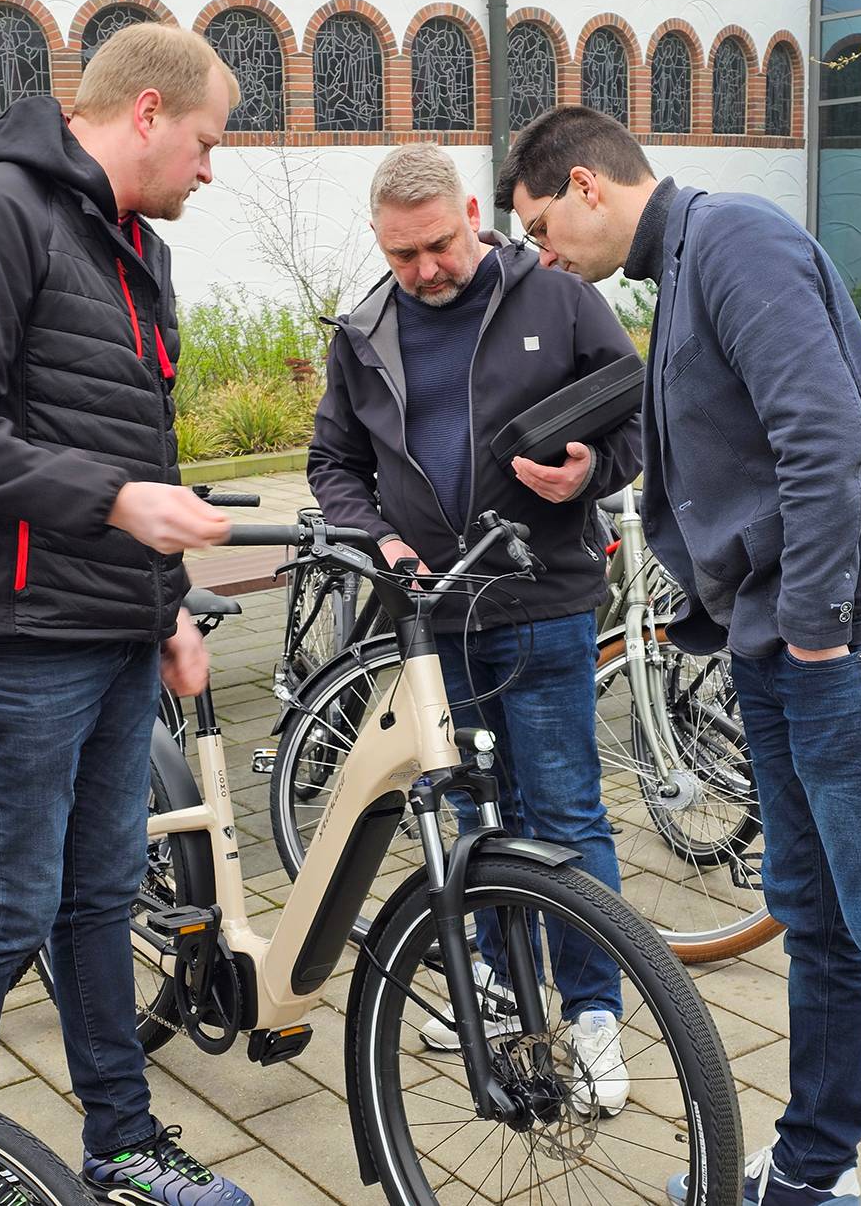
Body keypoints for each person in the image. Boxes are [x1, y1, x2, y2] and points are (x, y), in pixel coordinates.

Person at [495, 102, 861, 1206]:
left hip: (836, 642)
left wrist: (815, 621)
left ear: (584, 185)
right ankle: (812, 1173)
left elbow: (828, 437)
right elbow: (743, 453)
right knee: (815, 921)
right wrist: (594, 482)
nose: (542, 255)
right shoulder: (681, 271)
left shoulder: (733, 240)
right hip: (777, 643)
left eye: (538, 227)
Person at [0, 23, 256, 1206]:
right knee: (10, 897)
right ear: (146, 112)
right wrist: (111, 500)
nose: (213, 167)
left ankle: (124, 1143)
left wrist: (165, 614)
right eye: (207, 140)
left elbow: (133, 448)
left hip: (106, 631)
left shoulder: (133, 249)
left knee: (102, 893)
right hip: (6, 634)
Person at [307, 142, 642, 1114]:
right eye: (403, 254)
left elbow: (631, 416)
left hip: (542, 600)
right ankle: (494, 975)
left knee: (564, 813)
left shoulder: (556, 294)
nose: (424, 271)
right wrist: (377, 540)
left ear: (468, 212)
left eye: (439, 246)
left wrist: (588, 474)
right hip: (432, 617)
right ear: (381, 240)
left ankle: (592, 1013)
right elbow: (333, 463)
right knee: (467, 813)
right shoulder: (365, 327)